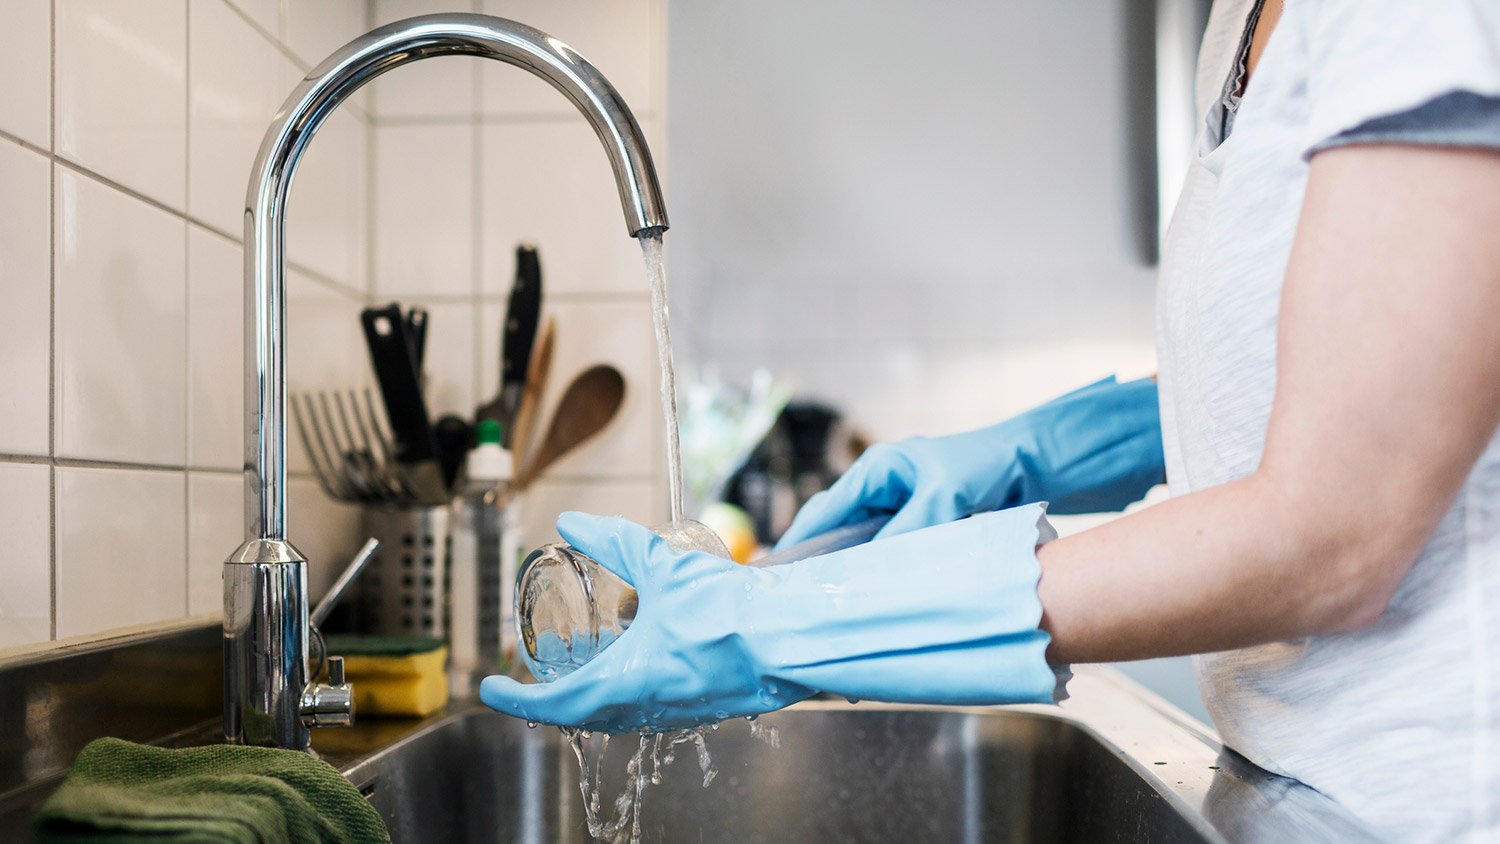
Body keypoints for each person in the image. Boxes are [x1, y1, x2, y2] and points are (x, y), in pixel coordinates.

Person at [482, 2, 1500, 839]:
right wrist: (1032, 453)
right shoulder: (1237, 18)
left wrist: (782, 622)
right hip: (1281, 790)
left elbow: (1332, 536)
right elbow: (1348, 368)